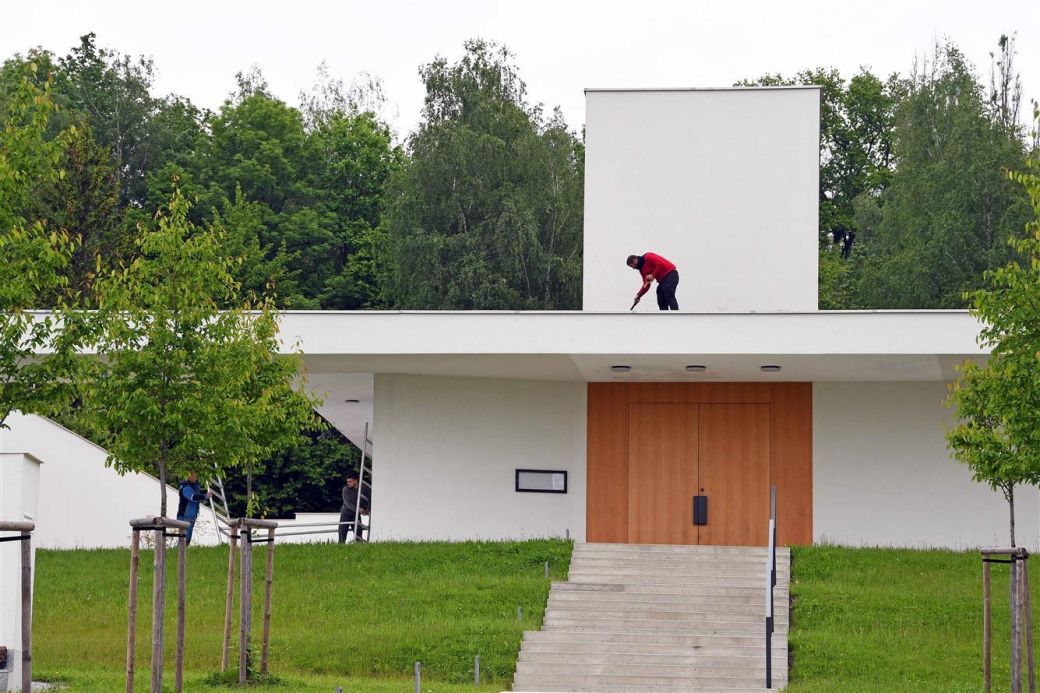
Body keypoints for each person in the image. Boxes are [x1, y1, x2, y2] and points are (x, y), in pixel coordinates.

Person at [176, 473, 212, 545]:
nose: (196, 478)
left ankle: (180, 554)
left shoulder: (192, 487)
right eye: (194, 476)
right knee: (184, 539)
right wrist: (205, 496)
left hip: (190, 516)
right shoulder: (185, 487)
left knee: (186, 539)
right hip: (185, 516)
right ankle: (178, 553)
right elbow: (193, 497)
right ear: (188, 476)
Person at [338, 470, 370, 543]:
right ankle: (340, 548)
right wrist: (358, 510)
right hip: (345, 514)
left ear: (355, 481)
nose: (348, 483)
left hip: (356, 515)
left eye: (350, 481)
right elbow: (348, 503)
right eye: (347, 481)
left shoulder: (365, 488)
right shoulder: (345, 490)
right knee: (342, 534)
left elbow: (371, 498)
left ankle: (359, 549)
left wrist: (367, 509)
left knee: (358, 534)